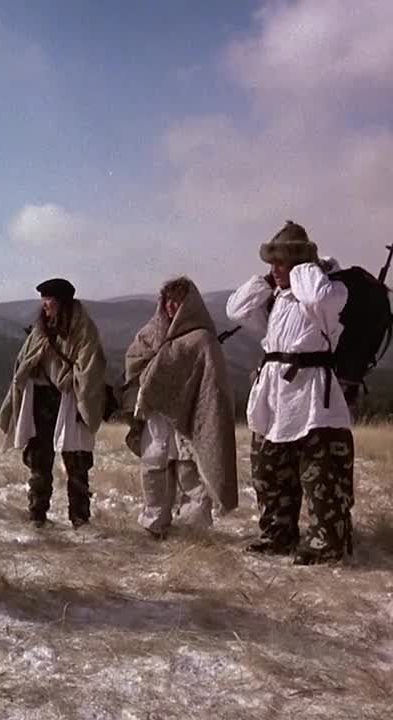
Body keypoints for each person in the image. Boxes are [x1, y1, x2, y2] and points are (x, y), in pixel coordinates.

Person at [226, 220, 354, 565]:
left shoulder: (331, 292)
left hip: (313, 399)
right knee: (270, 471)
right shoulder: (278, 299)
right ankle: (277, 534)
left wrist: (303, 268)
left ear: (299, 263)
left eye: (280, 262)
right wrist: (270, 280)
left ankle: (327, 543)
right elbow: (235, 309)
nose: (274, 269)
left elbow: (316, 296)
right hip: (274, 397)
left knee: (321, 474)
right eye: (272, 263)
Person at [124, 277, 238, 539]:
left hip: (189, 415)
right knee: (154, 469)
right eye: (168, 300)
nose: (171, 306)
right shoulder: (151, 333)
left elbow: (212, 385)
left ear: (189, 304)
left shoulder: (202, 339)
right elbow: (134, 361)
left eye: (178, 301)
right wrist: (154, 372)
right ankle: (155, 525)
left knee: (190, 474)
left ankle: (192, 532)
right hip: (157, 415)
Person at [0, 278, 107, 528]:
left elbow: (91, 367)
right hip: (40, 400)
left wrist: (69, 380)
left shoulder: (83, 330)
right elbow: (24, 361)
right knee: (39, 460)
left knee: (77, 461)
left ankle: (80, 517)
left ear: (62, 302)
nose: (45, 305)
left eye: (49, 300)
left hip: (71, 401)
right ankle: (37, 514)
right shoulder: (40, 329)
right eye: (43, 300)